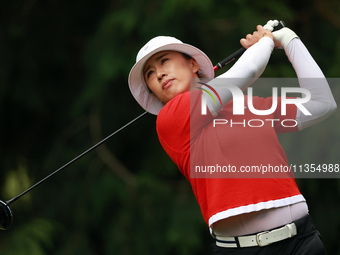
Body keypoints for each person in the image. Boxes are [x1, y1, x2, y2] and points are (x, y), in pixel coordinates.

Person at [128, 20, 337, 254]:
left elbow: (322, 104)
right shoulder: (171, 119)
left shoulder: (249, 106)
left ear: (193, 64)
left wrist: (289, 40)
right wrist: (267, 39)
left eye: (164, 60)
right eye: (149, 73)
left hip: (303, 242)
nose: (159, 73)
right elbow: (247, 71)